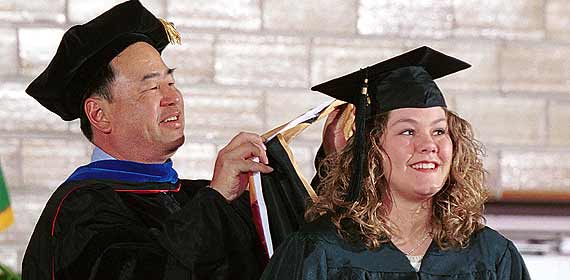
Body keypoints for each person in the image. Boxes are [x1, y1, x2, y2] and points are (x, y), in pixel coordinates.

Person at [22, 1, 272, 279]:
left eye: (171, 83)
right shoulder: (79, 212)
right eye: (153, 86)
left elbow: (293, 251)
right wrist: (216, 200)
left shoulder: (193, 196)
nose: (173, 98)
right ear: (100, 114)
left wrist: (328, 158)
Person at [261, 46, 531, 279]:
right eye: (408, 131)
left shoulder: (492, 256)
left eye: (439, 131)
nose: (429, 145)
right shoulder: (319, 251)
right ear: (372, 149)